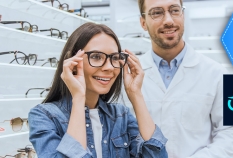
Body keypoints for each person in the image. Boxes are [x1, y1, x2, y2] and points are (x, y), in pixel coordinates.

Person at [121, 0, 233, 157]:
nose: (168, 20)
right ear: (143, 22)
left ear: (183, 15)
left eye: (174, 10)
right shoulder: (126, 78)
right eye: (157, 12)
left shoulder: (218, 73)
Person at [28, 23, 168, 158]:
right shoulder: (43, 116)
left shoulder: (121, 115)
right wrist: (78, 98)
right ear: (73, 62)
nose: (109, 67)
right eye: (96, 57)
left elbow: (156, 155)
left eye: (114, 58)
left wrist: (135, 94)